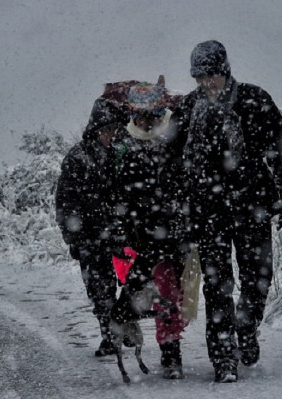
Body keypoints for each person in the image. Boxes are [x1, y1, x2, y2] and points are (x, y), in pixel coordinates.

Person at [173, 40, 282, 383]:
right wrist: (176, 208)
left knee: (257, 281)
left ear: (225, 70)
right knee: (217, 288)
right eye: (199, 77)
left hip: (253, 208)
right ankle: (223, 359)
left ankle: (246, 327)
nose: (206, 83)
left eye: (212, 75)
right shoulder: (188, 109)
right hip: (207, 212)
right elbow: (170, 164)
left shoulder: (253, 100)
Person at [111, 81, 188, 379]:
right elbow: (118, 195)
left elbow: (185, 186)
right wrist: (122, 229)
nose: (145, 121)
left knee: (170, 293)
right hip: (141, 237)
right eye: (139, 115)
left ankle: (170, 350)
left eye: (150, 114)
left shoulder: (174, 142)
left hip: (173, 233)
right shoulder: (126, 149)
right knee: (151, 292)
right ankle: (163, 349)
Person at [55, 97, 130, 357]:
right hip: (89, 236)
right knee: (99, 287)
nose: (110, 135)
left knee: (131, 281)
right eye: (106, 130)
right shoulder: (77, 157)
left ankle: (124, 323)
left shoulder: (121, 154)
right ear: (96, 128)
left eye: (114, 130)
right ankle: (110, 335)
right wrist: (73, 237)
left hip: (121, 233)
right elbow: (66, 200)